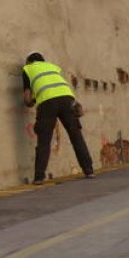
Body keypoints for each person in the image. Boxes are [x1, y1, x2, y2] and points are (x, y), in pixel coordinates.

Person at [21, 52, 94, 183]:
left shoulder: (28, 69)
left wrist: (31, 102)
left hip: (47, 103)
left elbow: (27, 98)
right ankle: (89, 170)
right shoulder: (53, 67)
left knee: (44, 140)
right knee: (76, 135)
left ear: (29, 62)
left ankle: (39, 177)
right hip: (67, 99)